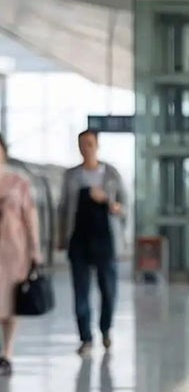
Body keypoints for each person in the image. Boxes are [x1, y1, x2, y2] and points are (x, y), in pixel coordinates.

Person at [64, 129, 126, 357]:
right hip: (79, 240)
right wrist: (63, 237)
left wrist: (108, 201)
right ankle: (85, 338)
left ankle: (105, 329)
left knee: (108, 290)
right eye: (82, 144)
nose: (86, 148)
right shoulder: (71, 176)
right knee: (80, 292)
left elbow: (123, 206)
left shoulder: (111, 174)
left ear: (97, 145)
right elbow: (64, 209)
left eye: (90, 144)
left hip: (105, 240)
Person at [0, 135, 45, 376]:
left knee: (11, 303)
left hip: (14, 252)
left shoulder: (19, 183)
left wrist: (35, 251)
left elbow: (31, 218)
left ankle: (7, 353)